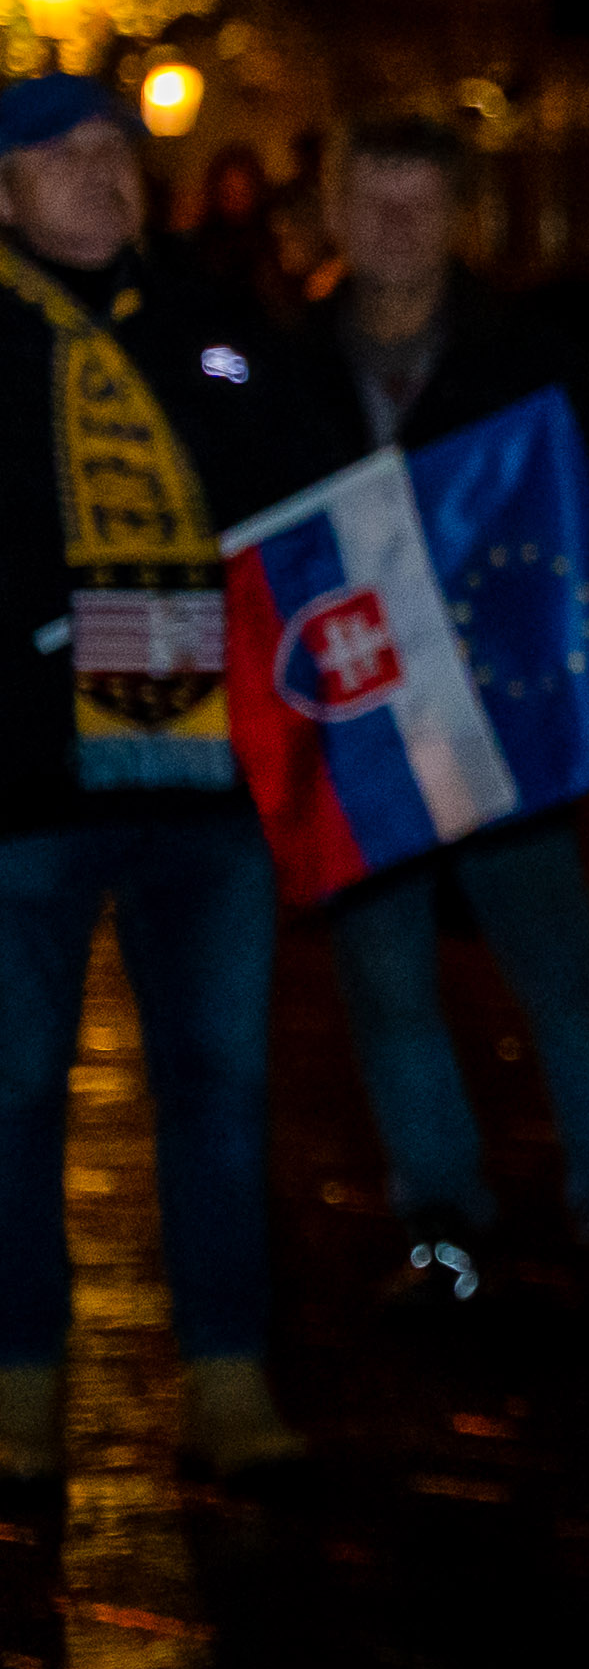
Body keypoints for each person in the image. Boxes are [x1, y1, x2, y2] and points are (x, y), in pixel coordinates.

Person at [0, 76, 340, 1489]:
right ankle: (20, 1375)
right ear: (3, 193)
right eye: (59, 156)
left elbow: (304, 498)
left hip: (208, 786)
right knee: (17, 1090)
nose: (100, 174)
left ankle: (229, 1370)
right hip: (28, 791)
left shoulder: (213, 324)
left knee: (220, 1083)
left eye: (114, 151)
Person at [309, 112, 589, 1312]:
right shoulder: (285, 364)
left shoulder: (527, 358)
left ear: (458, 217)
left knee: (560, 972)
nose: (396, 226)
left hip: (500, 723)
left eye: (419, 203)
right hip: (365, 729)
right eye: (374, 201)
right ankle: (438, 1221)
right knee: (388, 985)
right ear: (333, 211)